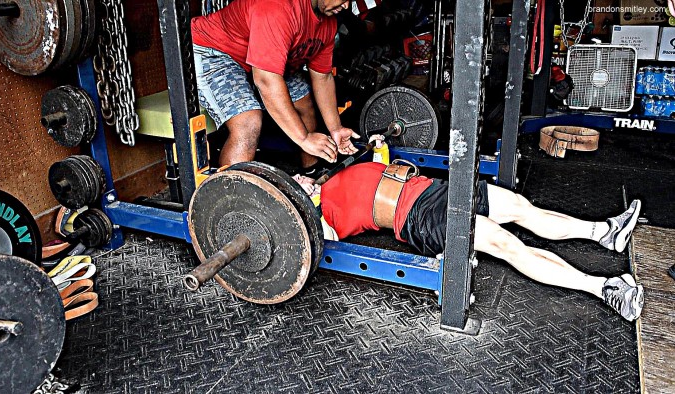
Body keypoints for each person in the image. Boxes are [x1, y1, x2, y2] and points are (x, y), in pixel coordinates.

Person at [294, 155, 645, 322]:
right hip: (421, 219)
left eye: (298, 174)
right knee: (509, 246)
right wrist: (304, 210)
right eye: (294, 184)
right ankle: (605, 288)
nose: (300, 177)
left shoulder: (337, 172)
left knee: (522, 207)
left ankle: (604, 232)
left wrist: (375, 147)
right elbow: (307, 243)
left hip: (434, 189)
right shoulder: (321, 219)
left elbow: (381, 161)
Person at [191, 0, 358, 169]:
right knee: (248, 121)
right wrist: (304, 138)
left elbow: (323, 77)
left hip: (259, 60)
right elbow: (266, 80)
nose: (346, 6)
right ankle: (232, 194)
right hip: (215, 52)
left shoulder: (328, 23)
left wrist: (336, 129)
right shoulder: (278, 6)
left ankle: (311, 177)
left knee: (304, 101)